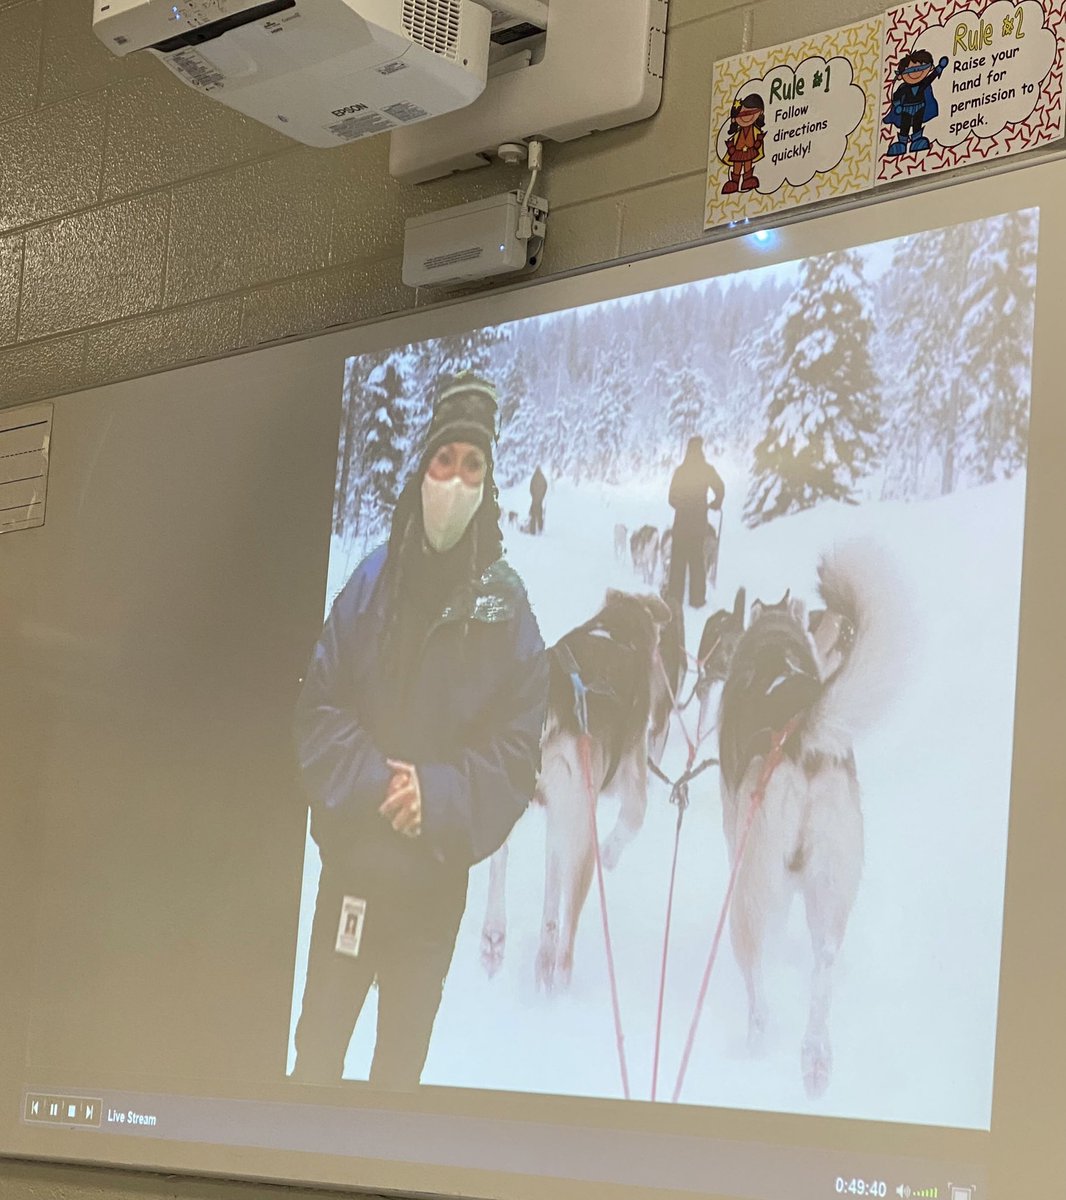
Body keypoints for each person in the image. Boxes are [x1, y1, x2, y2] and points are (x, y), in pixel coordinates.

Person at [292, 371, 548, 1090]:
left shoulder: (509, 613)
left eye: (474, 465)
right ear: (423, 466)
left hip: (431, 897)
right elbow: (317, 708)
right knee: (315, 1060)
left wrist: (435, 795)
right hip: (354, 879)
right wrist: (380, 783)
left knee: (395, 1081)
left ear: (489, 481)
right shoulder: (370, 585)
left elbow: (515, 757)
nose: (456, 480)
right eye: (446, 459)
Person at [667, 436, 725, 609]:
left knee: (677, 561)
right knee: (697, 563)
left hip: (681, 524)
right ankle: (697, 600)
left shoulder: (680, 471)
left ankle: (674, 598)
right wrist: (715, 504)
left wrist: (682, 505)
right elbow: (720, 488)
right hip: (699, 524)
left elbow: (671, 498)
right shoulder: (707, 470)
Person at [884, 50, 949, 156]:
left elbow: (931, 77)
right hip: (906, 109)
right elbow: (896, 96)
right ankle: (902, 143)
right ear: (900, 76)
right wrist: (897, 106)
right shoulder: (903, 87)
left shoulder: (923, 84)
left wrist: (939, 68)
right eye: (910, 70)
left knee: (917, 124)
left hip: (920, 107)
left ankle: (917, 141)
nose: (915, 73)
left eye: (920, 69)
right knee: (905, 125)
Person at [720, 93, 766, 194]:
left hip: (750, 150)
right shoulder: (737, 134)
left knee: (748, 162)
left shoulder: (755, 131)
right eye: (741, 115)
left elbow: (757, 138)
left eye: (751, 113)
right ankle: (734, 181)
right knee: (737, 164)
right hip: (738, 151)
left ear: (760, 113)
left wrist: (758, 142)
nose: (746, 118)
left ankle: (747, 178)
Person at [529, 465, 547, 535]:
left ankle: (532, 531)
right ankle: (540, 528)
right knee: (540, 514)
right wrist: (542, 495)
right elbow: (546, 486)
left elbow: (530, 488)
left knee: (533, 515)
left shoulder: (534, 477)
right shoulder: (543, 477)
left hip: (534, 500)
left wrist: (533, 495)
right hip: (540, 500)